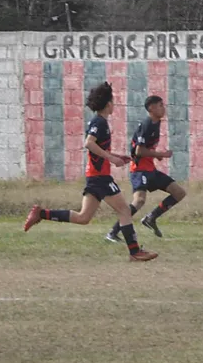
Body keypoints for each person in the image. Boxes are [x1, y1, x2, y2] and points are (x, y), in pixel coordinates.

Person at [23, 81, 158, 262]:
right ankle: (135, 252)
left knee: (83, 217)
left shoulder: (100, 122)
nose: (114, 104)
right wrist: (111, 159)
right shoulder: (99, 122)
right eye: (113, 101)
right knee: (125, 210)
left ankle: (41, 213)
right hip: (100, 177)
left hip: (95, 177)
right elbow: (89, 143)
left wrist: (118, 156)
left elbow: (97, 148)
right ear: (108, 104)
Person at [106, 95, 187, 242]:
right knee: (139, 200)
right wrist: (159, 154)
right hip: (139, 170)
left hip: (150, 170)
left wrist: (156, 156)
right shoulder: (147, 124)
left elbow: (146, 150)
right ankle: (113, 232)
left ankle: (151, 218)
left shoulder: (156, 123)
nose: (164, 108)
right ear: (151, 108)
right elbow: (139, 151)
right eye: (160, 105)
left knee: (179, 192)